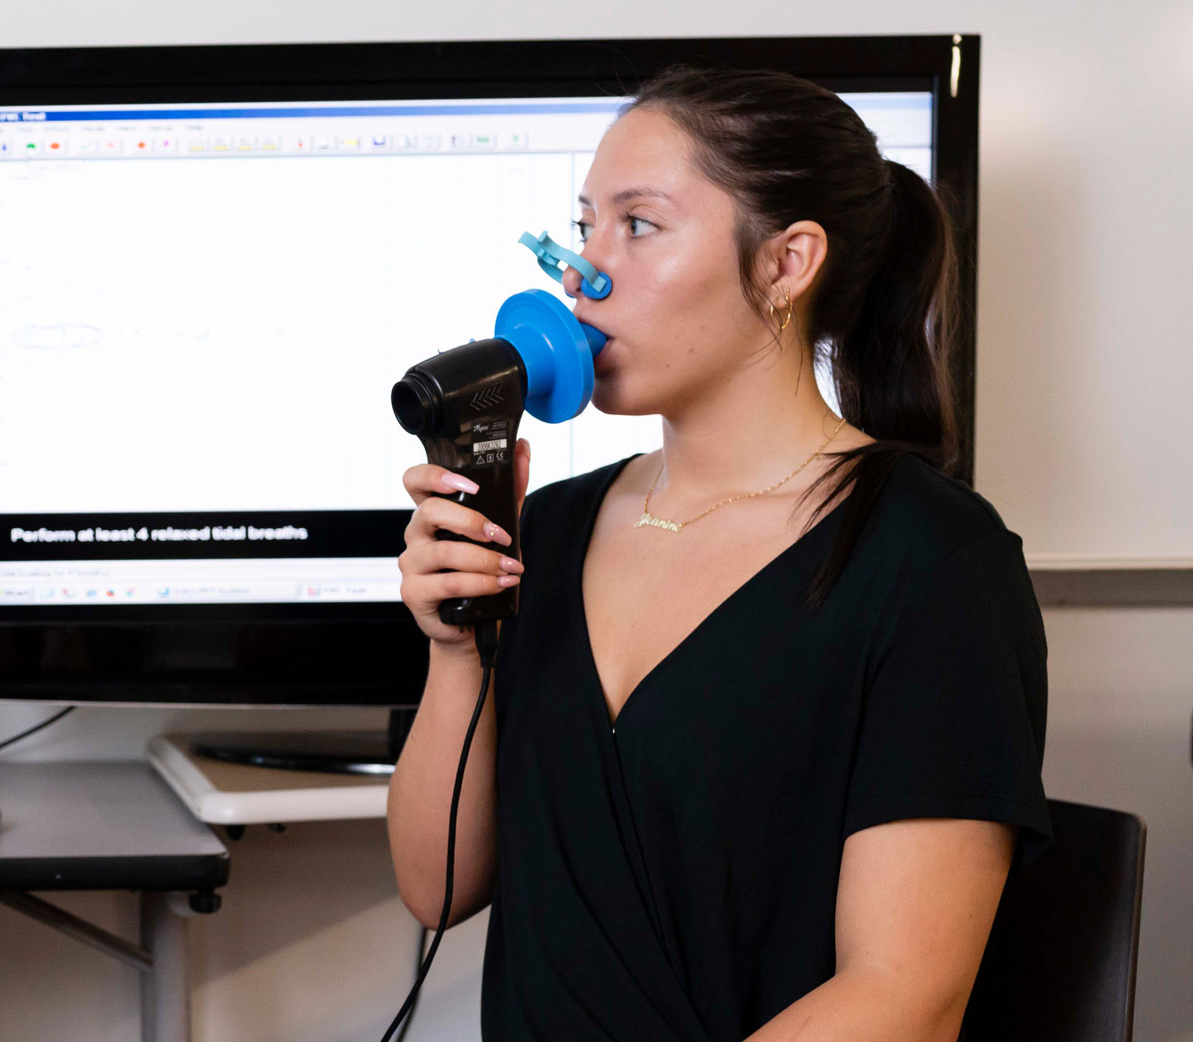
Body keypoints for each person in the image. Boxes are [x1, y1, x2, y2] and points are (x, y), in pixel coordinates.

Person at [385, 66, 1049, 1041]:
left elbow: (906, 996)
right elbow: (434, 890)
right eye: (584, 228)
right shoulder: (546, 530)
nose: (582, 274)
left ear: (786, 263)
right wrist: (455, 650)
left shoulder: (933, 560)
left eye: (638, 225)